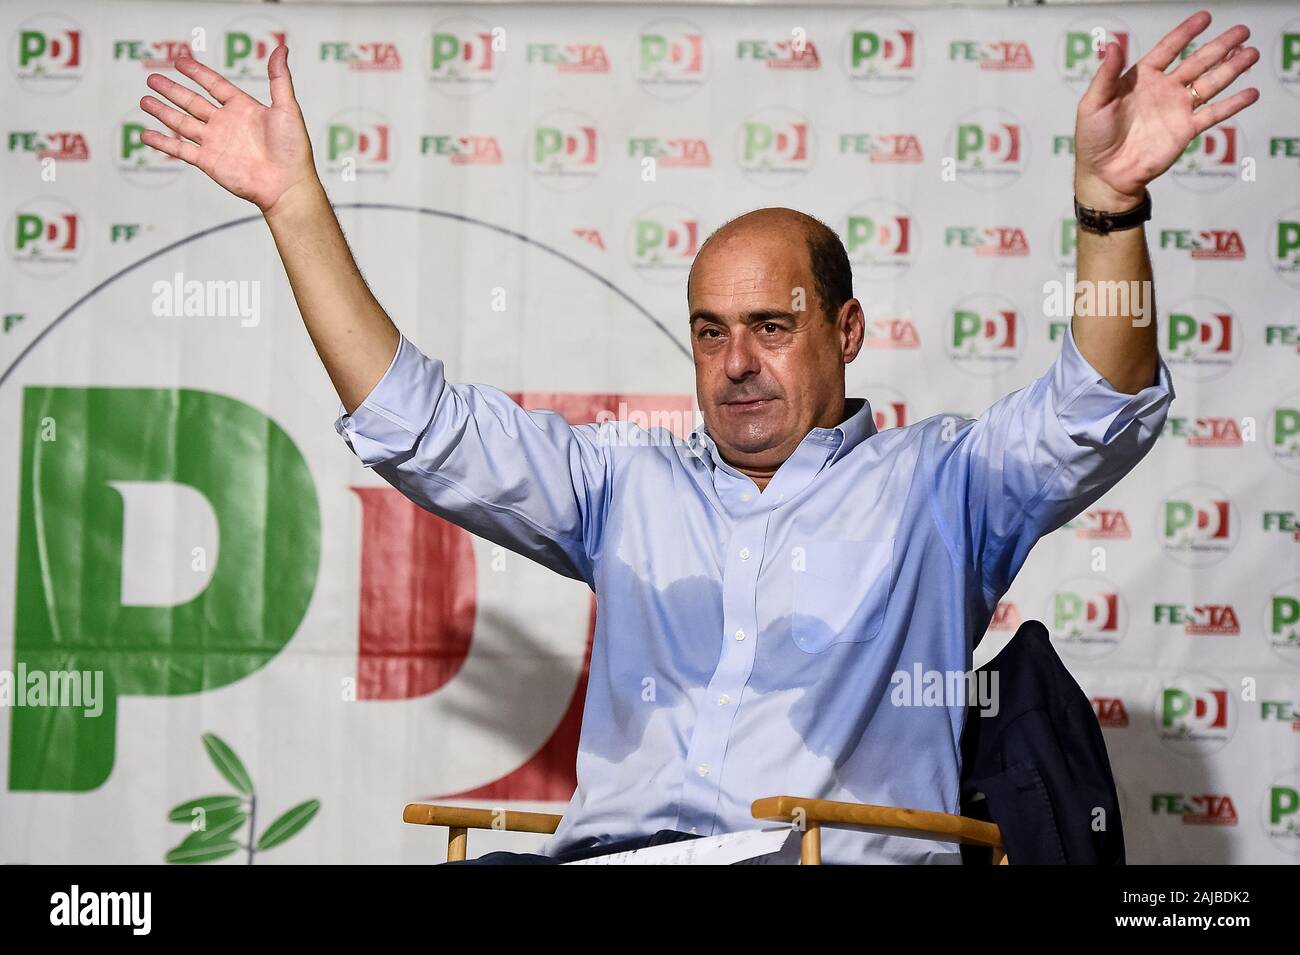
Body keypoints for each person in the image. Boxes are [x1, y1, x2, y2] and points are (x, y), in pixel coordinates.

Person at [138, 11, 1258, 863]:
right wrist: (293, 206)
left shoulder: (943, 486)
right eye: (711, 331)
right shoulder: (625, 489)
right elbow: (413, 423)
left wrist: (1107, 209)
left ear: (847, 328)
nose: (734, 363)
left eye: (772, 326)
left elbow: (1095, 406)